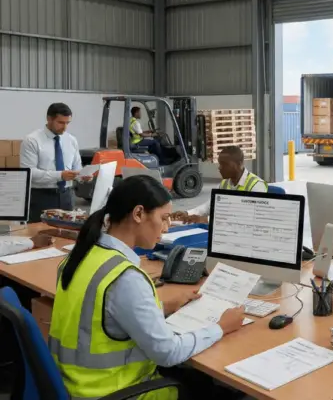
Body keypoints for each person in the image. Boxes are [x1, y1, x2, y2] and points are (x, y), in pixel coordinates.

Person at [48, 175, 246, 400]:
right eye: (164, 218)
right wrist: (221, 327)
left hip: (74, 385)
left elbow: (99, 313)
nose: (167, 227)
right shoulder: (125, 277)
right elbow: (168, 353)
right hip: (114, 392)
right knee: (214, 389)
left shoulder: (79, 256)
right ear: (139, 214)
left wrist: (161, 307)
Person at [20, 103, 91, 222]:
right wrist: (60, 175)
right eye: (61, 123)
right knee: (40, 234)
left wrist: (82, 176)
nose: (65, 127)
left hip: (67, 196)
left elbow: (77, 167)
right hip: (41, 197)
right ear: (49, 119)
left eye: (67, 123)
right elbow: (28, 173)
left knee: (66, 235)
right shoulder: (32, 141)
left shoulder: (71, 140)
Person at [171, 146, 267, 224]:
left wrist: (206, 220)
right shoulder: (224, 184)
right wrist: (187, 213)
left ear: (239, 164)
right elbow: (208, 206)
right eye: (220, 164)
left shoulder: (256, 186)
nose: (220, 168)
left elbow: (247, 218)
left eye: (224, 164)